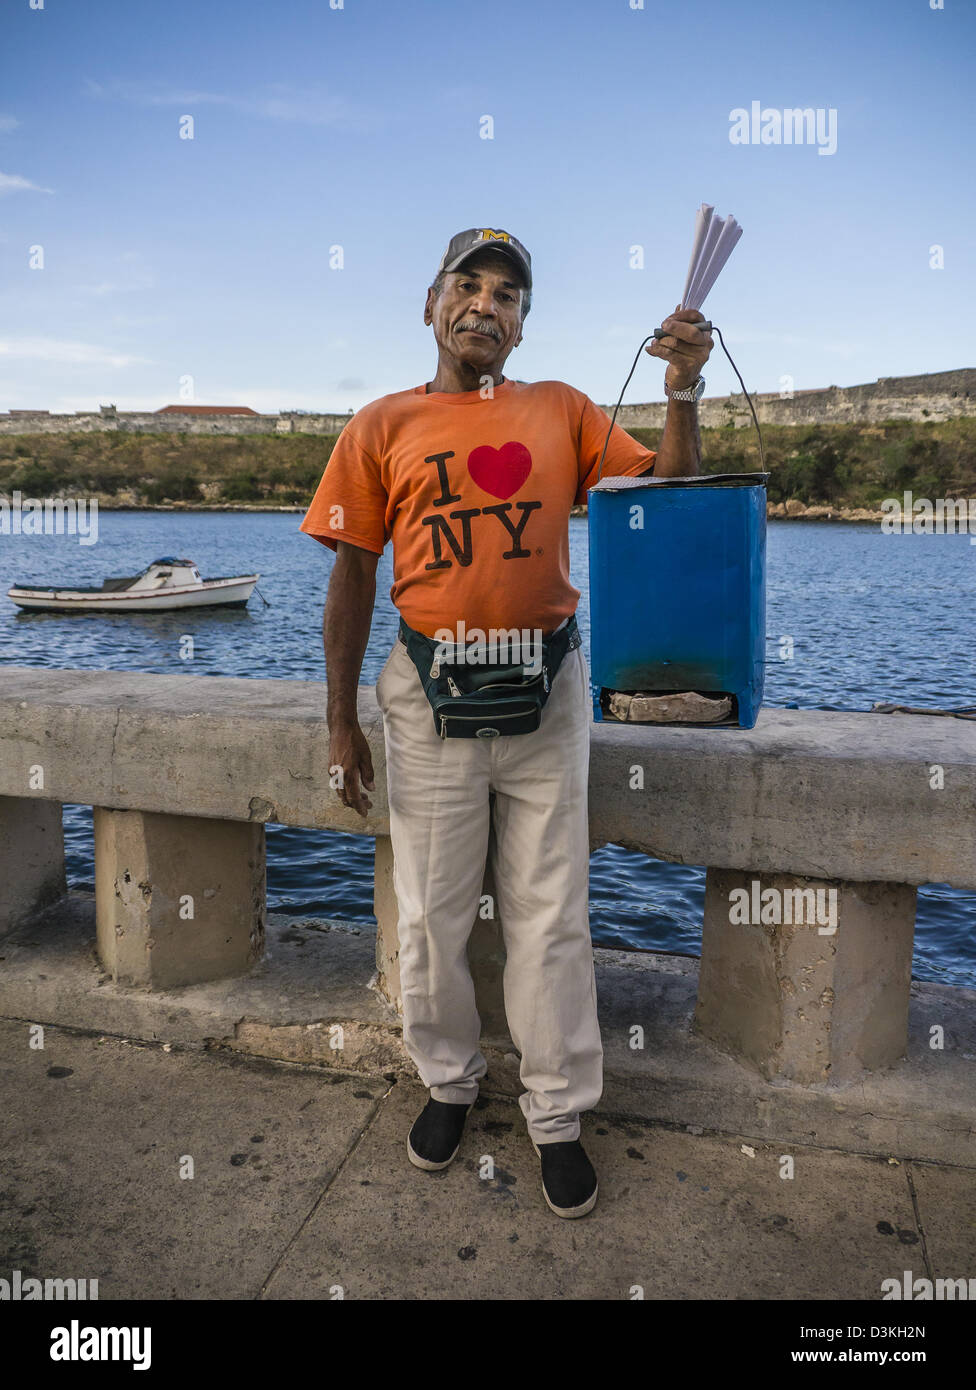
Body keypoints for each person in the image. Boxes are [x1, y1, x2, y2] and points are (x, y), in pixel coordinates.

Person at [300, 227, 712, 1218]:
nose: (487, 305)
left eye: (509, 295)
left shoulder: (561, 410)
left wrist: (682, 391)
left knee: (550, 914)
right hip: (428, 697)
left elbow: (664, 490)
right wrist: (341, 723)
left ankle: (558, 1113)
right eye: (469, 285)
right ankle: (446, 1080)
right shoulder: (380, 424)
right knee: (434, 916)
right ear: (432, 305)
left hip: (546, 693)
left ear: (523, 325)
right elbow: (352, 577)